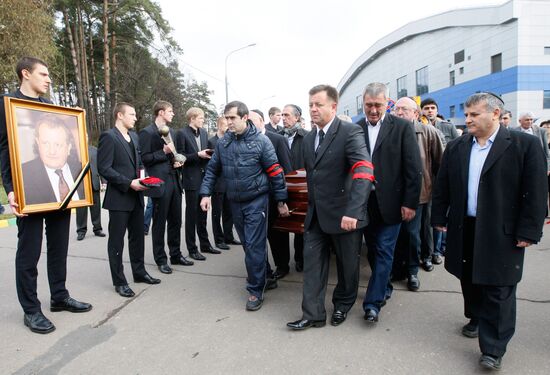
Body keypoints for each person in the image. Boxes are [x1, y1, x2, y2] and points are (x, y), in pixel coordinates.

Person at [432, 92, 547, 371]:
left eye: (474, 114)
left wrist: (529, 230)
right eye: (467, 114)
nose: (467, 119)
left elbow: (536, 192)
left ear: (495, 114)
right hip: (465, 225)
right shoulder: (458, 147)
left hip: (502, 230)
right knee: (469, 277)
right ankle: (477, 316)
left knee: (499, 286)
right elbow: (443, 185)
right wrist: (439, 216)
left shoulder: (524, 145)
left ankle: (493, 348)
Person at [0, 56, 92, 334]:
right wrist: (11, 190)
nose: (48, 79)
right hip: (30, 191)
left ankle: (59, 297)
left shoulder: (50, 108)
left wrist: (75, 125)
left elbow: (70, 152)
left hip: (60, 192)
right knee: (28, 252)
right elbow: (5, 151)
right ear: (25, 74)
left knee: (59, 247)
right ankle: (31, 310)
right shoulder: (8, 106)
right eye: (43, 74)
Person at [286, 84, 374, 330]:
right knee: (312, 265)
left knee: (347, 268)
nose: (313, 109)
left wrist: (354, 211)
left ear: (333, 106)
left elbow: (364, 171)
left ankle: (342, 305)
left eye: (318, 104)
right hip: (315, 216)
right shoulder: (308, 138)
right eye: (310, 104)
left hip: (345, 214)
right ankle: (312, 314)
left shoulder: (350, 132)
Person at [199, 101, 289, 311]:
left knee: (254, 244)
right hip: (235, 202)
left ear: (245, 117)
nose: (228, 122)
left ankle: (255, 290)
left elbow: (276, 171)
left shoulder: (262, 142)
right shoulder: (223, 143)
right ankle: (266, 275)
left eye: (232, 118)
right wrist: (205, 194)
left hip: (257, 200)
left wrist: (281, 200)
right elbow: (212, 170)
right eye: (226, 118)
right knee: (249, 245)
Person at [357, 82, 422, 323]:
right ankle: (384, 288)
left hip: (393, 203)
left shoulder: (402, 128)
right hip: (364, 204)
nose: (373, 110)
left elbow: (413, 168)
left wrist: (410, 203)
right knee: (373, 250)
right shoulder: (355, 128)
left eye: (378, 105)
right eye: (369, 105)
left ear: (388, 103)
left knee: (384, 250)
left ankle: (372, 304)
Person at [98, 103, 161, 297]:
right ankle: (119, 281)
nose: (135, 117)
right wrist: (128, 183)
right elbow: (104, 168)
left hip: (137, 196)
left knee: (137, 238)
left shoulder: (134, 136)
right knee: (117, 241)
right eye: (132, 114)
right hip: (119, 198)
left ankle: (139, 272)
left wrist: (144, 179)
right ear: (120, 115)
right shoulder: (109, 137)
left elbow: (139, 163)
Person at [393, 97, 443, 291]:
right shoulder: (390, 131)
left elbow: (440, 165)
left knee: (413, 234)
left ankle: (412, 271)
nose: (399, 113)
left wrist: (438, 195)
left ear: (415, 113)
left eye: (404, 109)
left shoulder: (429, 133)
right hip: (393, 195)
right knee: (395, 235)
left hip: (419, 195)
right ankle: (397, 269)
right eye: (396, 109)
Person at [139, 100, 193, 274]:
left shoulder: (173, 132)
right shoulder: (147, 133)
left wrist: (176, 162)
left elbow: (173, 155)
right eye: (170, 111)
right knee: (159, 223)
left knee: (176, 221)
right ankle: (161, 259)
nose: (173, 114)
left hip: (175, 181)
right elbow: (145, 159)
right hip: (159, 183)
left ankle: (176, 255)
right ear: (161, 112)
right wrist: (164, 153)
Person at [249, 109, 292, 288]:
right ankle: (263, 269)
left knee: (277, 234)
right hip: (255, 198)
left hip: (274, 196)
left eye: (252, 121)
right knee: (260, 236)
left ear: (261, 121)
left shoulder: (277, 139)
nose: (250, 125)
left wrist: (283, 201)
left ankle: (283, 265)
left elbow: (286, 170)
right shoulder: (246, 141)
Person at [176, 107, 221, 259]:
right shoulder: (181, 133)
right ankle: (192, 249)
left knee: (203, 213)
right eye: (201, 117)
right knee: (191, 216)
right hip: (190, 179)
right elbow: (179, 157)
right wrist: (197, 155)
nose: (203, 120)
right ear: (192, 118)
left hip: (204, 178)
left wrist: (208, 154)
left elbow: (204, 152)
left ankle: (205, 245)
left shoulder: (203, 133)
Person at [275, 104, 308, 277]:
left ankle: (301, 259)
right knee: (280, 227)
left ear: (297, 117)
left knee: (301, 227)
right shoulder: (276, 137)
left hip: (301, 189)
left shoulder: (308, 137)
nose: (283, 118)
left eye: (287, 115)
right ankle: (282, 265)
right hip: (280, 187)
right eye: (282, 115)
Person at [21, 115, 84, 205]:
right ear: (38, 143)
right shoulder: (23, 174)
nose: (52, 151)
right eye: (46, 143)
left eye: (58, 144)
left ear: (69, 147)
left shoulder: (81, 169)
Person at [208, 116, 240, 250]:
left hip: (229, 182)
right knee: (217, 213)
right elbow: (211, 164)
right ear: (219, 125)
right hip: (218, 183)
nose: (227, 127)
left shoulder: (231, 140)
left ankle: (229, 236)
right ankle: (218, 239)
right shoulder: (212, 141)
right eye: (224, 124)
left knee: (229, 212)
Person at [76, 143, 106, 240]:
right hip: (81, 184)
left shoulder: (95, 150)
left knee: (96, 208)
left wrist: (103, 181)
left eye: (86, 135)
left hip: (94, 182)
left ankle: (97, 229)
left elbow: (100, 165)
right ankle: (81, 231)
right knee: (81, 210)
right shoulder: (75, 150)